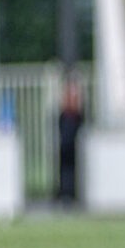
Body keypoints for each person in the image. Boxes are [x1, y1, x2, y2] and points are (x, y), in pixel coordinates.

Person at [55, 78, 85, 206]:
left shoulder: (77, 117)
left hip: (73, 147)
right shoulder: (64, 116)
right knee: (65, 169)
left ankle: (72, 192)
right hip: (66, 147)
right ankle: (65, 192)